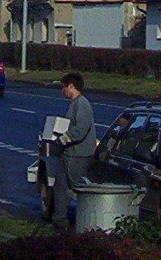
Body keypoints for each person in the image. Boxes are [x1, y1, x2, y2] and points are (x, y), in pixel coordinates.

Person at [50, 71, 96, 227]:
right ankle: (59, 220)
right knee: (60, 188)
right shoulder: (74, 104)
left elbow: (81, 129)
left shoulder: (82, 104)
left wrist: (64, 138)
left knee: (79, 190)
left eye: (64, 87)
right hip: (68, 153)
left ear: (72, 86)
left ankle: (87, 223)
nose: (63, 90)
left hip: (79, 156)